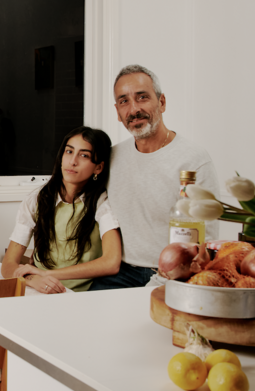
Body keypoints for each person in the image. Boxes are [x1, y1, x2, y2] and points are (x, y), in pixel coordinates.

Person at [90, 64, 220, 290]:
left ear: (162, 102)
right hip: (122, 272)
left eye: (142, 97)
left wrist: (165, 278)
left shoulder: (194, 160)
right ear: (118, 113)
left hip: (177, 274)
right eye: (124, 101)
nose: (133, 109)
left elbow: (205, 239)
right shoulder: (112, 157)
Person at [1, 126, 121, 293]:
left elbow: (112, 262)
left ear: (98, 168)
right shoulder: (36, 200)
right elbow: (8, 264)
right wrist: (31, 279)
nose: (73, 161)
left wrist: (46, 273)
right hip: (39, 290)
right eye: (69, 152)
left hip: (82, 297)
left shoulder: (102, 203)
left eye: (84, 155)